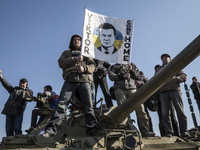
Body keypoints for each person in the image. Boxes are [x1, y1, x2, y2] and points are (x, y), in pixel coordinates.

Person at [42, 34, 98, 138]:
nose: (76, 41)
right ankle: (50, 131)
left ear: (81, 42)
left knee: (89, 107)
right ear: (71, 42)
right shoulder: (66, 53)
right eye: (74, 40)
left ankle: (92, 131)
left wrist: (84, 69)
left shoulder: (86, 54)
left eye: (78, 39)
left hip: (84, 81)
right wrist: (74, 59)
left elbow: (93, 66)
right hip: (70, 80)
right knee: (61, 106)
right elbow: (61, 63)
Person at [108, 63, 155, 137]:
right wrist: (122, 76)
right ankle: (129, 132)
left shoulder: (131, 65)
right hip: (120, 88)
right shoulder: (114, 66)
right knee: (124, 112)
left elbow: (138, 76)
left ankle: (145, 131)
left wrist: (131, 70)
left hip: (132, 89)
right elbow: (111, 76)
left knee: (141, 109)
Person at [159, 54, 189, 137]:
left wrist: (175, 79)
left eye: (166, 58)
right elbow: (155, 80)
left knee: (180, 111)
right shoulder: (159, 70)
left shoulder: (175, 67)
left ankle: (184, 131)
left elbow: (184, 76)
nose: (164, 59)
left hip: (175, 91)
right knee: (165, 114)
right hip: (163, 92)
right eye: (163, 58)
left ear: (170, 59)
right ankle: (169, 132)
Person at [0, 70, 33, 136]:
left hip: (18, 113)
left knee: (17, 129)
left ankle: (18, 144)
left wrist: (29, 96)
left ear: (26, 84)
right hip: (9, 112)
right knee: (9, 130)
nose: (22, 84)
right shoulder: (14, 89)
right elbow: (6, 85)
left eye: (23, 83)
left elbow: (30, 98)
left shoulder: (29, 91)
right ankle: (9, 145)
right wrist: (1, 77)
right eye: (21, 83)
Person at [154, 64, 179, 136]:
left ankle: (176, 133)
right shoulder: (155, 79)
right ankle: (164, 134)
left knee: (172, 117)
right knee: (162, 119)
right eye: (157, 69)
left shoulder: (164, 77)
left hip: (167, 99)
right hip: (159, 102)